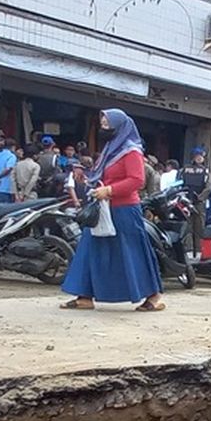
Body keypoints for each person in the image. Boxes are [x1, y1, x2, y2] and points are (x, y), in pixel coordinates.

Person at [60, 109, 164, 312]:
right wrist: (87, 178)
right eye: (102, 124)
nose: (103, 128)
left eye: (107, 125)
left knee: (133, 252)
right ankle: (84, 296)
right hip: (104, 208)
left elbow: (137, 180)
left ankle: (154, 296)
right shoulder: (110, 150)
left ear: (119, 127)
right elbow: (105, 176)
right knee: (90, 248)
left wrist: (110, 190)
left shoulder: (131, 151)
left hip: (124, 210)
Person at [180, 147, 209, 257]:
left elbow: (208, 187)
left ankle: (199, 250)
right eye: (197, 156)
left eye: (201, 156)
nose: (199, 158)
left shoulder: (205, 171)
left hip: (199, 202)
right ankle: (189, 250)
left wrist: (200, 197)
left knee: (199, 226)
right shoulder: (185, 169)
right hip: (186, 201)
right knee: (187, 226)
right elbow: (179, 183)